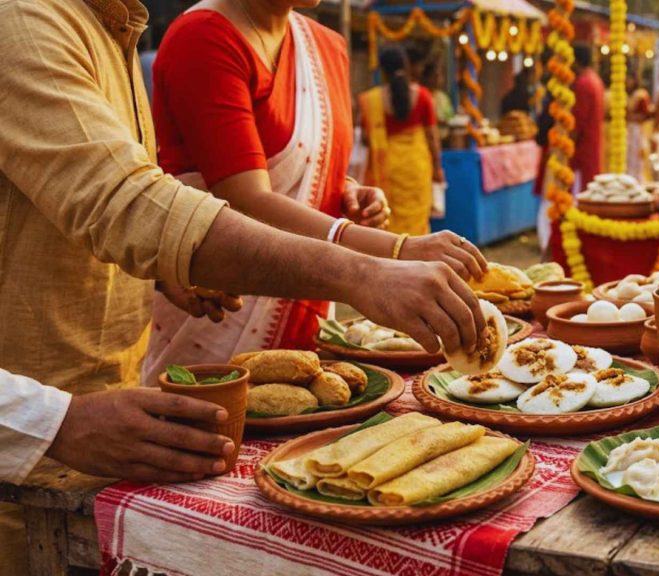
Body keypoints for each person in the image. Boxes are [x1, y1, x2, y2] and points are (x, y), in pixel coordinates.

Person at [0, 3, 488, 572]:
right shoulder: (24, 22)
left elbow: (83, 201)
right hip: (30, 456)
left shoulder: (113, 26)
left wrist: (166, 273)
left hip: (113, 424)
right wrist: (365, 268)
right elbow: (124, 203)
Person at [143, 0, 482, 381]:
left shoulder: (326, 46)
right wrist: (398, 250)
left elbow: (309, 169)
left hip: (312, 301)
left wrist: (347, 192)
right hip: (220, 311)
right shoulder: (203, 37)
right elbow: (248, 198)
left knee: (312, 410)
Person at [360, 47, 444, 235]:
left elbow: (366, 139)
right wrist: (438, 168)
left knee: (389, 222)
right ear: (406, 67)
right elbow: (432, 137)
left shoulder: (371, 100)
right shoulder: (423, 96)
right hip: (416, 168)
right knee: (418, 222)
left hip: (386, 169)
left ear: (382, 72)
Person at [570, 43, 605, 189]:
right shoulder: (595, 79)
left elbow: (578, 122)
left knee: (580, 193)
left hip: (582, 149)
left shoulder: (583, 83)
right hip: (592, 145)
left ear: (575, 61)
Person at [626, 73, 652, 180]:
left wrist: (632, 118)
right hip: (627, 130)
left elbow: (646, 115)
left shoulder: (641, 95)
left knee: (638, 157)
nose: (627, 83)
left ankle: (638, 179)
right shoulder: (625, 95)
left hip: (637, 130)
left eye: (629, 80)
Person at [423, 60, 455, 125]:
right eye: (434, 76)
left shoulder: (443, 97)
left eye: (440, 76)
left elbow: (450, 116)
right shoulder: (422, 96)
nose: (437, 79)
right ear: (426, 77)